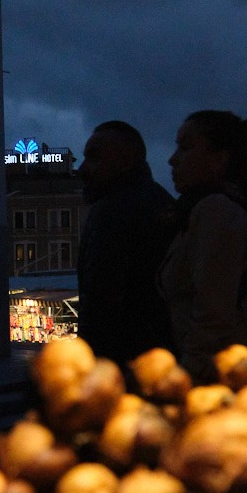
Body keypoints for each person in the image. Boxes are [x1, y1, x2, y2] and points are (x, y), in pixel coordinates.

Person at [158, 110, 247, 382]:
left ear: (220, 159)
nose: (173, 160)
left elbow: (213, 314)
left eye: (186, 147)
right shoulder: (229, 210)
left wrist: (186, 375)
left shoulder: (215, 211)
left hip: (231, 378)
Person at [75, 121, 178, 365]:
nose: (82, 169)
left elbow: (100, 302)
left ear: (125, 160)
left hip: (121, 361)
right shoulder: (163, 202)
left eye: (94, 157)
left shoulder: (111, 212)